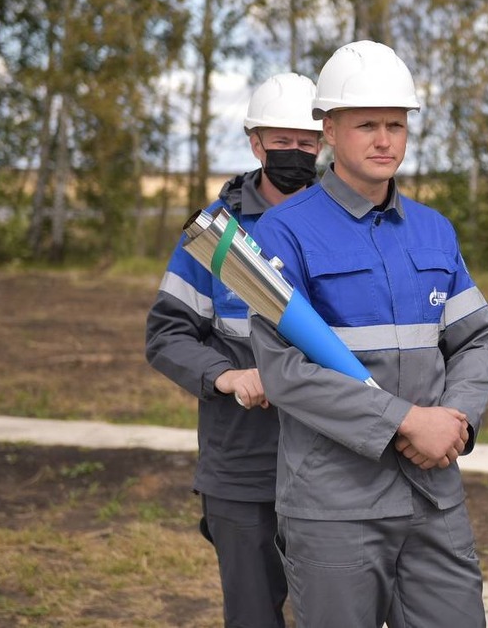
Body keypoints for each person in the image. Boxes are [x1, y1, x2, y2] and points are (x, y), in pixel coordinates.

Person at [249, 40, 488, 628]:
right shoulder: (285, 233)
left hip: (431, 494)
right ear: (329, 129)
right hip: (334, 506)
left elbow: (476, 338)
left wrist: (455, 421)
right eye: (367, 125)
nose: (385, 139)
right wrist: (407, 421)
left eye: (396, 124)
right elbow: (286, 372)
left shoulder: (435, 232)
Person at [145, 72, 324, 628]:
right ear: (255, 143)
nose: (295, 153)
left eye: (307, 142)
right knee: (252, 614)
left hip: (329, 463)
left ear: (324, 144)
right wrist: (227, 376)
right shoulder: (217, 236)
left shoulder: (342, 223)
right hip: (241, 466)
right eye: (282, 141)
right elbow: (167, 334)